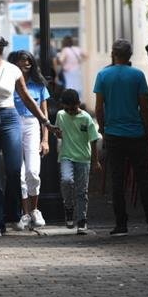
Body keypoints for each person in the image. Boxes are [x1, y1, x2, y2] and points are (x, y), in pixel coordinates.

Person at [0, 33, 57, 237]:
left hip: (10, 118)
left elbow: (26, 98)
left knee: (14, 169)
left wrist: (45, 122)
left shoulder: (13, 70)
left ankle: (12, 214)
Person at [93, 39, 148, 236]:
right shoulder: (138, 75)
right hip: (136, 134)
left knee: (117, 180)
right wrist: (147, 130)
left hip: (114, 134)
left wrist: (103, 129)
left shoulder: (103, 75)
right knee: (143, 179)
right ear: (130, 55)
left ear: (113, 53)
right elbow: (144, 107)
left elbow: (99, 107)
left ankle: (121, 224)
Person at [7, 50, 50, 231]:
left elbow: (44, 114)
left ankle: (34, 210)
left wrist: (45, 139)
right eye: (22, 61)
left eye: (29, 61)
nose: (26, 64)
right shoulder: (8, 83)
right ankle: (24, 213)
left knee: (32, 171)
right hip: (14, 123)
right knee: (19, 173)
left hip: (33, 125)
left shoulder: (39, 85)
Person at [55, 89, 100, 235]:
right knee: (66, 180)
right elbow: (58, 132)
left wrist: (95, 161)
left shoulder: (86, 118)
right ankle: (68, 207)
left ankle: (82, 220)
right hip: (66, 156)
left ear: (78, 104)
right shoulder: (60, 115)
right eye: (67, 109)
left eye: (72, 109)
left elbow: (93, 140)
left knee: (82, 191)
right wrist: (57, 133)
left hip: (83, 158)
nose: (70, 112)